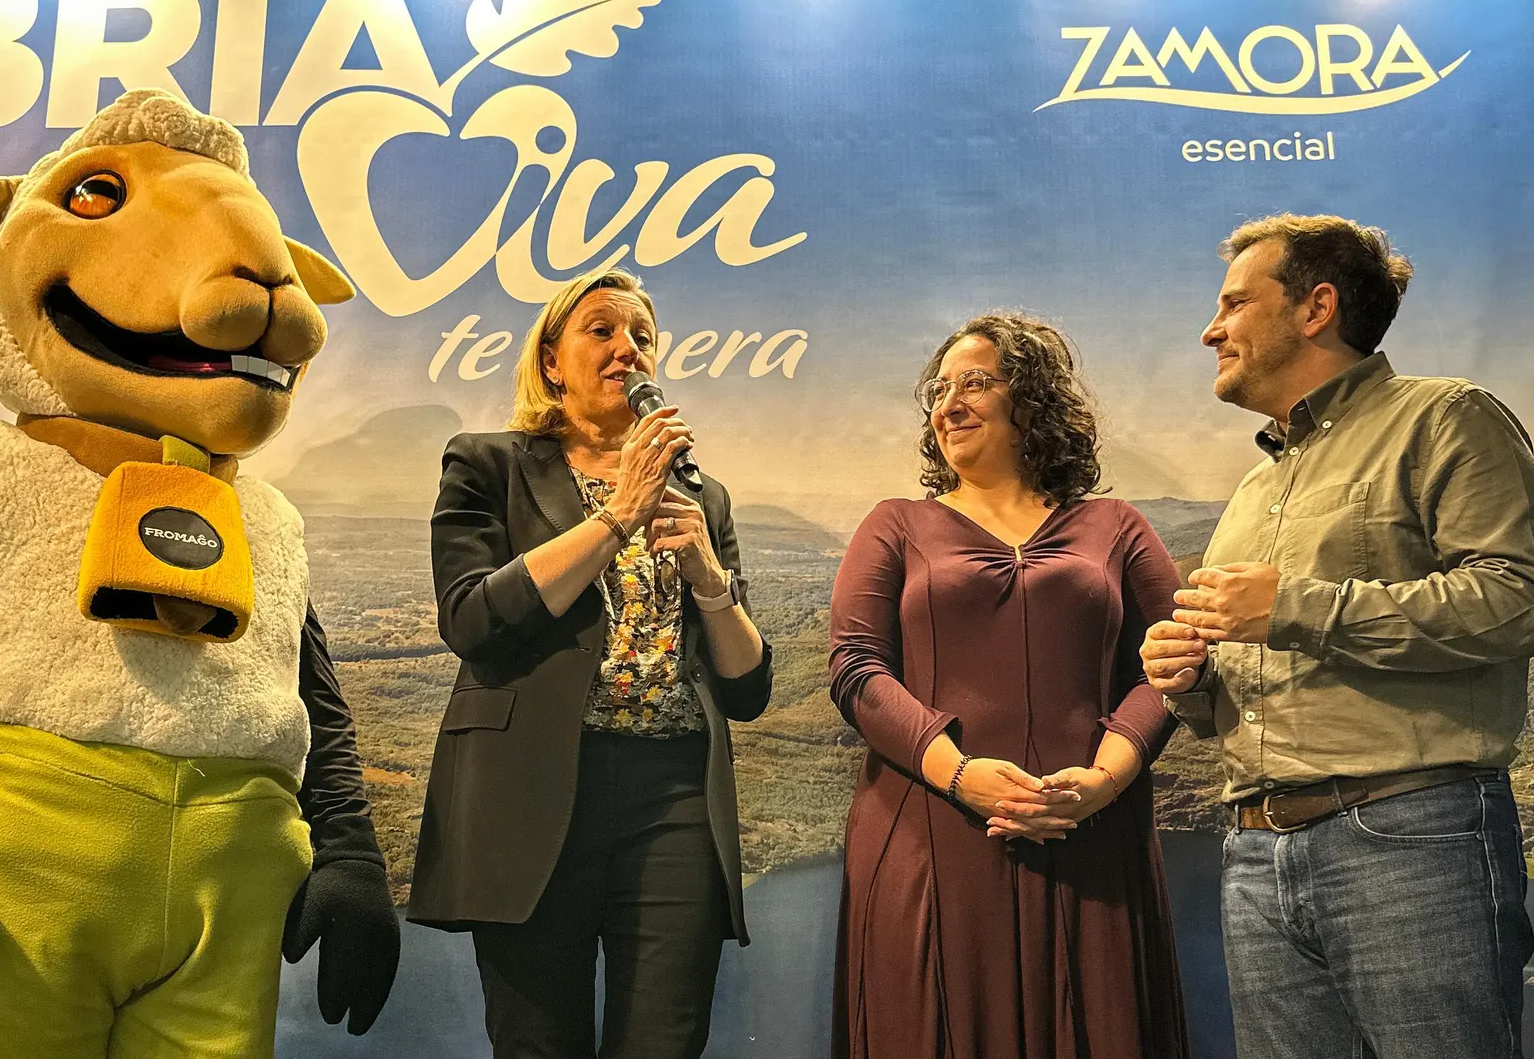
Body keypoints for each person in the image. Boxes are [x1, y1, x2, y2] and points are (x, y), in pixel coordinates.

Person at [1141, 214, 1534, 1059]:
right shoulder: (1253, 490)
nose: (1210, 330)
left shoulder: (1445, 418)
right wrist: (1190, 679)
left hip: (1410, 841)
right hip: (1255, 853)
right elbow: (1232, 697)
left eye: (1234, 303)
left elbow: (1518, 601)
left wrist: (1293, 608)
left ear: (1316, 307)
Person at [407, 267, 773, 1059]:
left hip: (672, 795)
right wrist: (618, 515)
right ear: (550, 361)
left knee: (665, 1040)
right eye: (601, 330)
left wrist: (712, 583)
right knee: (539, 1042)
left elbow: (748, 687)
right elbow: (472, 618)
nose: (626, 349)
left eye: (642, 336)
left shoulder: (702, 494)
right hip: (532, 789)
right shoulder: (487, 463)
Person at [829, 311, 1191, 1059]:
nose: (948, 404)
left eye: (973, 383)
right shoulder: (894, 525)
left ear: (1032, 398)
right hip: (931, 836)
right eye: (939, 390)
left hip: (1091, 834)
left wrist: (1103, 780)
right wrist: (961, 776)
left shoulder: (1117, 526)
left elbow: (1173, 663)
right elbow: (857, 668)